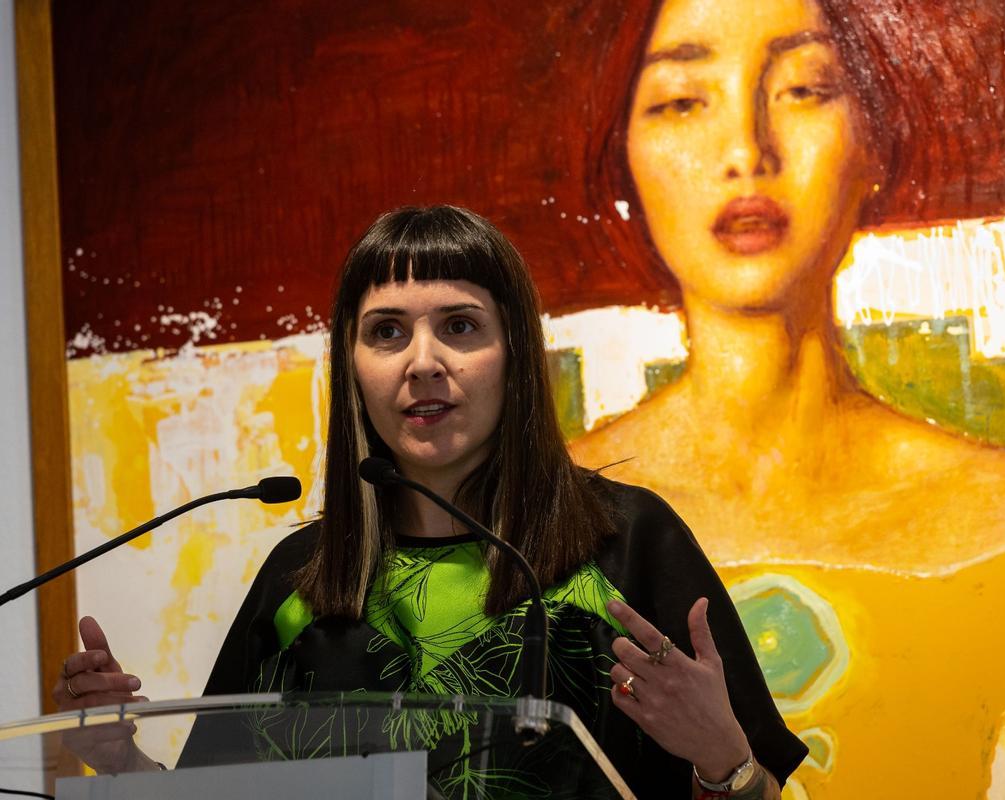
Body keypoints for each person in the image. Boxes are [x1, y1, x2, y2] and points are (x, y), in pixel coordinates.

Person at [571, 0, 1005, 796]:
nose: (744, 150)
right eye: (683, 101)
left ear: (876, 138)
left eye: (804, 89)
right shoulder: (543, 510)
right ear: (621, 154)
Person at [54, 205, 808, 798]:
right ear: (352, 367)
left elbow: (758, 795)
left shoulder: (629, 541)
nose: (423, 364)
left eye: (459, 326)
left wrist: (724, 758)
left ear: (513, 354)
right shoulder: (300, 580)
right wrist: (122, 762)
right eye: (386, 332)